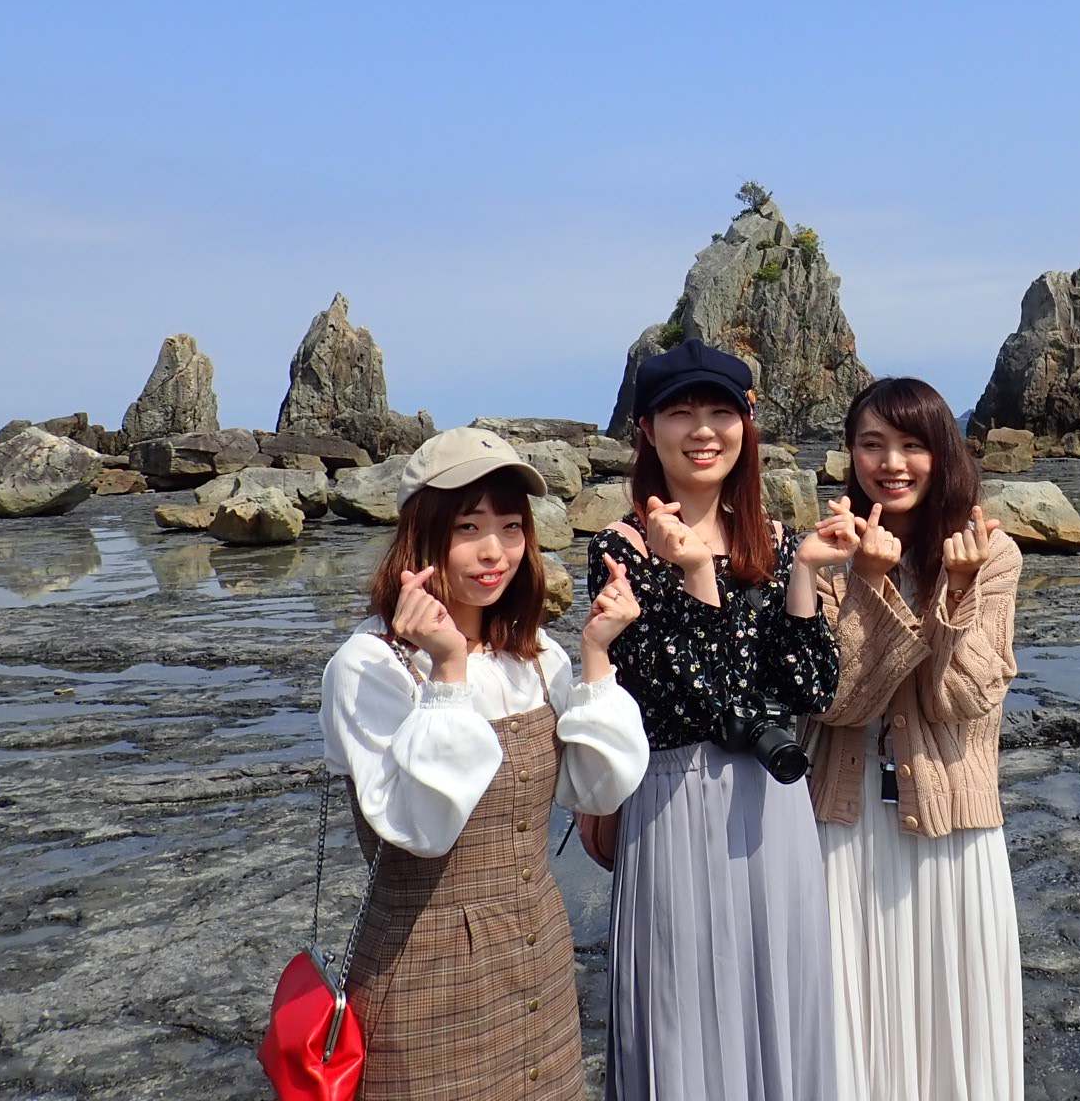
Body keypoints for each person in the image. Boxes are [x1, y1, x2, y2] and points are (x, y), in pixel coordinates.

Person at [319, 427, 650, 1101]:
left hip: (538, 954)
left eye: (511, 526)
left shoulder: (535, 655)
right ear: (421, 535)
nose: (494, 550)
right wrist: (447, 671)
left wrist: (595, 657)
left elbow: (597, 790)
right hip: (424, 968)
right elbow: (421, 829)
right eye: (467, 527)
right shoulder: (370, 665)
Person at [579, 338, 841, 1101]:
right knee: (683, 1005)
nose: (702, 431)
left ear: (746, 423)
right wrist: (695, 570)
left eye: (720, 412)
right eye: (680, 413)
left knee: (778, 998)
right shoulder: (622, 549)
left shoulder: (776, 540)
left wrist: (805, 575)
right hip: (675, 800)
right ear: (647, 429)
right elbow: (701, 698)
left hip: (775, 802)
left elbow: (811, 687)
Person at [800, 377, 1025, 1101]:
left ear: (942, 453)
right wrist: (866, 581)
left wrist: (955, 593)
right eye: (872, 444)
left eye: (911, 445)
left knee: (951, 1022)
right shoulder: (829, 552)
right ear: (850, 454)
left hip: (953, 819)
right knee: (850, 1012)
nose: (891, 463)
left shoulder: (993, 555)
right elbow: (835, 704)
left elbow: (960, 699)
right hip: (845, 821)